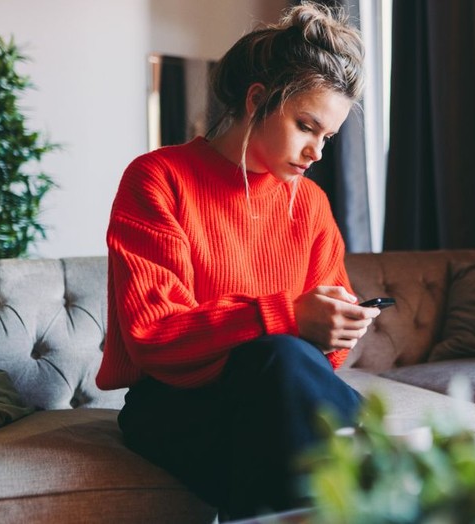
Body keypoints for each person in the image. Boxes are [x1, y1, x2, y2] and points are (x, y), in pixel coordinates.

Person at [95, 2, 379, 519]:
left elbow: (321, 365)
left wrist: (336, 326)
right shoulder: (158, 179)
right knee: (278, 364)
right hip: (173, 403)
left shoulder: (310, 203)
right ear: (257, 99)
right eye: (306, 126)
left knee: (281, 396)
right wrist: (288, 315)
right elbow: (153, 334)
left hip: (271, 399)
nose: (317, 152)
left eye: (328, 138)